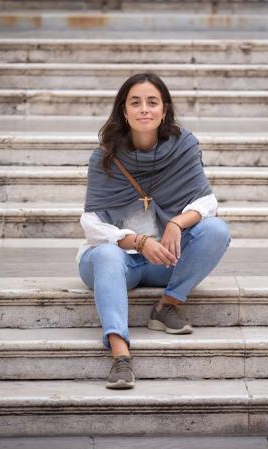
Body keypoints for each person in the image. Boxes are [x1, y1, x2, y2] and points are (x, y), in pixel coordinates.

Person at [77, 73, 231, 389]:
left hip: (165, 259)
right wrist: (137, 241)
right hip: (117, 262)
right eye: (135, 102)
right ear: (124, 110)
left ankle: (166, 307)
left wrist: (176, 222)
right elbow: (91, 225)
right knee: (106, 251)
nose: (144, 109)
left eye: (152, 102)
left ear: (164, 110)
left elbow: (207, 201)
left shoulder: (183, 146)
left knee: (216, 229)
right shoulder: (104, 157)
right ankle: (120, 357)